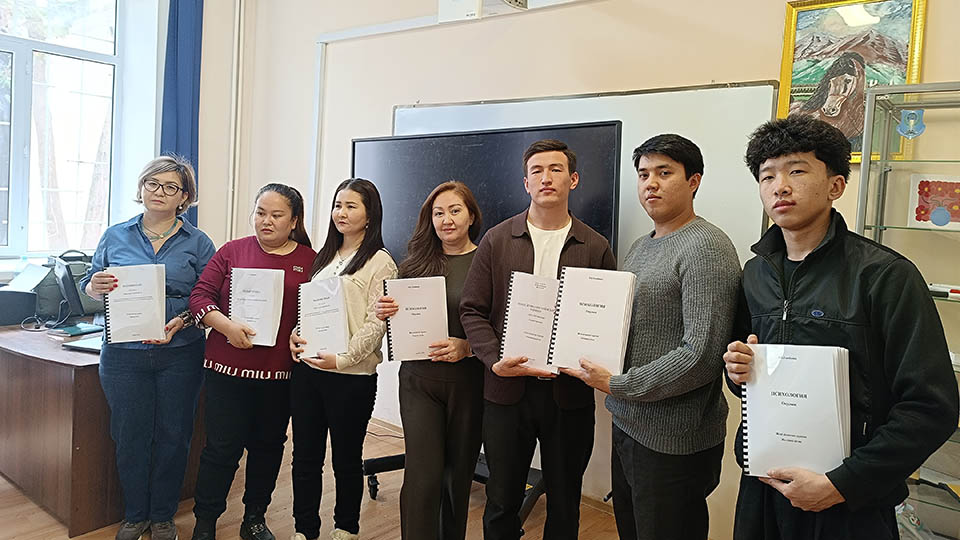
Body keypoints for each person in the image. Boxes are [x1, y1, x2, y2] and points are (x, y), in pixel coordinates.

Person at [724, 115, 959, 539]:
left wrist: (843, 484)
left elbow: (931, 406)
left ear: (835, 185)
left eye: (796, 170)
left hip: (850, 500)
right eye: (767, 176)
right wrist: (737, 370)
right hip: (764, 483)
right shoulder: (755, 274)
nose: (780, 186)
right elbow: (747, 379)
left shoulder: (885, 276)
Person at [562, 134, 740, 540]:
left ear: (693, 181)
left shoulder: (706, 247)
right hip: (629, 424)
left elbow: (702, 353)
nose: (651, 184)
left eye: (664, 173)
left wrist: (620, 384)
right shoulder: (642, 246)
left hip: (674, 440)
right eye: (643, 174)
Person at [460, 139, 616, 540]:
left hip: (569, 395)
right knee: (501, 499)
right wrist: (494, 359)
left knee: (565, 502)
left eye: (556, 169)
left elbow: (609, 322)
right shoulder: (497, 239)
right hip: (506, 390)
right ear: (526, 183)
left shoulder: (595, 247)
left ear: (574, 179)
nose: (546, 178)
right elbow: (472, 311)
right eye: (537, 171)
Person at [81, 155, 215, 540]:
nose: (160, 192)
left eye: (171, 187)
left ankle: (162, 516)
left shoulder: (199, 242)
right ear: (141, 188)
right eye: (153, 184)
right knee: (129, 435)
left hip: (181, 351)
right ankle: (135, 515)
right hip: (124, 354)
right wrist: (95, 286)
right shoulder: (115, 235)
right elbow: (91, 283)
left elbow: (208, 296)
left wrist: (184, 321)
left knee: (175, 435)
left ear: (184, 197)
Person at [189, 184, 316, 540]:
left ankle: (254, 518)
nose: (266, 221)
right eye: (261, 212)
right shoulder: (232, 251)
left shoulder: (310, 260)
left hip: (280, 375)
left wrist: (301, 332)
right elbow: (200, 296)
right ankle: (206, 522)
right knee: (221, 449)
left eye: (276, 215)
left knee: (267, 447)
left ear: (294, 221)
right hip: (227, 371)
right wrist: (226, 326)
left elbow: (318, 313)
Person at [373, 181, 484, 540]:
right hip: (419, 381)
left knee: (457, 476)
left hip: (468, 381)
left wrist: (467, 347)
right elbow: (397, 319)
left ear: (471, 216)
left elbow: (500, 323)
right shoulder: (414, 263)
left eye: (455, 211)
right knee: (424, 475)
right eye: (438, 213)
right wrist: (385, 310)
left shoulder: (487, 261)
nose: (446, 219)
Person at [288, 178, 398, 540]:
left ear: (370, 215)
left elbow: (375, 323)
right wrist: (296, 337)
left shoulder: (380, 262)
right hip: (308, 372)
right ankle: (304, 529)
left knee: (346, 459)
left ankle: (345, 528)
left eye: (351, 206)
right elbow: (310, 310)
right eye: (338, 205)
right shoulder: (324, 257)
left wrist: (344, 358)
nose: (341, 212)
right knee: (305, 458)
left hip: (352, 377)